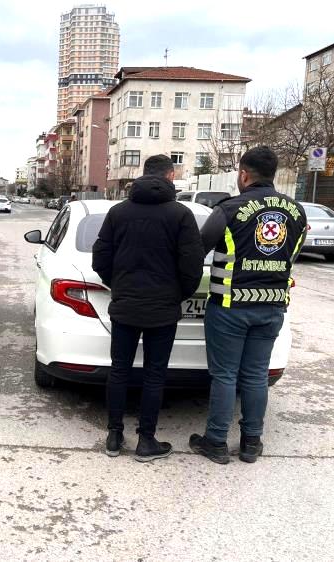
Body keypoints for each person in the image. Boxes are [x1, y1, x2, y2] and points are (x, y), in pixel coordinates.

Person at [189, 146, 307, 464]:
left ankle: (215, 442)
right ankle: (251, 443)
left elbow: (198, 248)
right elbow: (292, 255)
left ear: (243, 174)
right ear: (273, 173)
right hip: (272, 307)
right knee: (255, 376)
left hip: (229, 306)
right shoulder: (297, 212)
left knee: (225, 375)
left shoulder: (230, 209)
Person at [92, 155, 204, 461]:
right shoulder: (181, 215)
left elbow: (100, 257)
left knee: (119, 369)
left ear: (144, 175)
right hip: (163, 308)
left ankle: (114, 437)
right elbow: (192, 265)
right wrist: (179, 293)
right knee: (155, 374)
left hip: (125, 304)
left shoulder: (118, 212)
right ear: (170, 176)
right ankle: (146, 441)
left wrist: (118, 285)